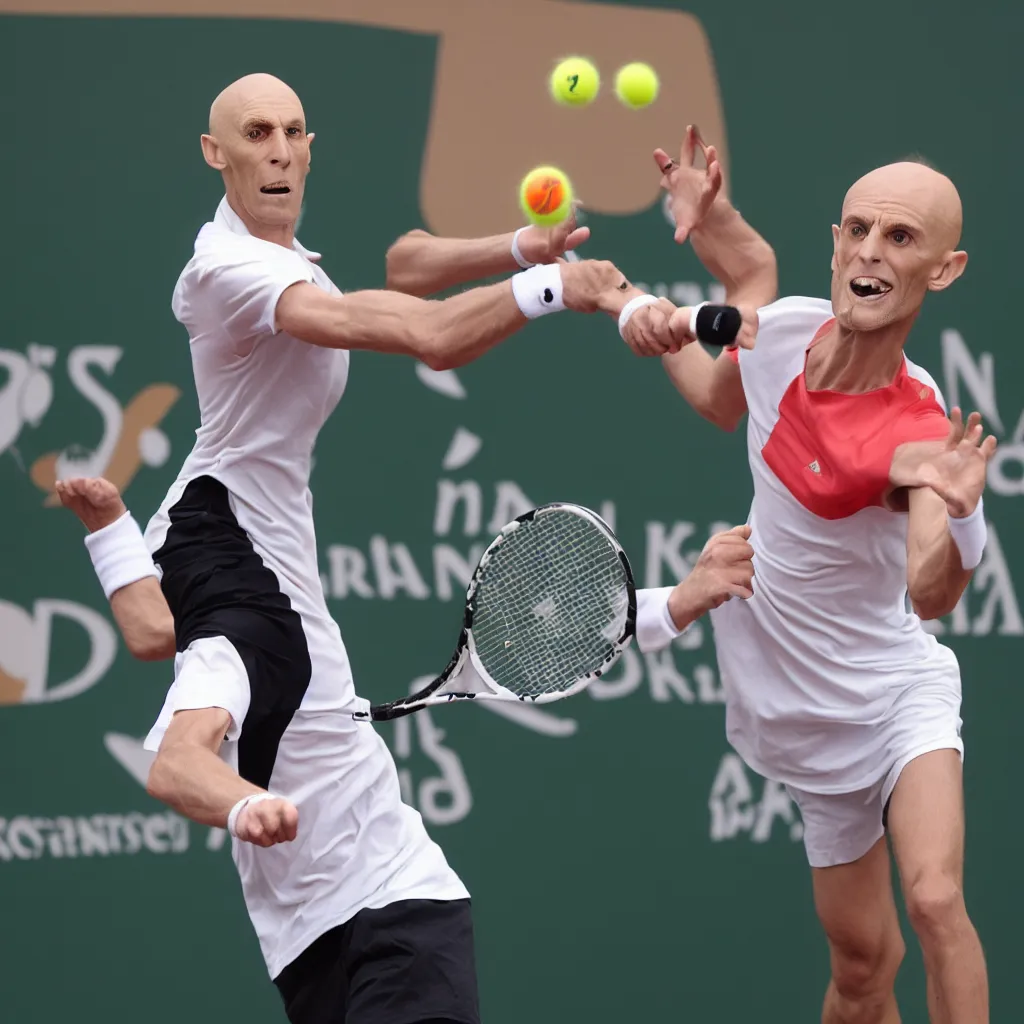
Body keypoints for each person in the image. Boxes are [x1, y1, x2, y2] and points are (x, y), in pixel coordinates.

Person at [56, 71, 754, 1024]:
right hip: (319, 939)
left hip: (395, 908)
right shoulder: (227, 277)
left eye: (293, 131)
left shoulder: (239, 599)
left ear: (309, 148)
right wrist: (555, 286)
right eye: (253, 132)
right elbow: (427, 333)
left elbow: (150, 631)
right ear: (214, 152)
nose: (277, 149)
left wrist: (516, 245)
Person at [635, 128, 994, 1023]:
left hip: (895, 694)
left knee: (936, 899)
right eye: (860, 230)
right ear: (835, 241)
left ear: (942, 271)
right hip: (799, 708)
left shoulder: (920, 431)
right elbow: (722, 388)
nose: (873, 251)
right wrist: (646, 315)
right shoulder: (782, 331)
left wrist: (956, 512)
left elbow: (930, 594)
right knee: (865, 969)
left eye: (902, 239)